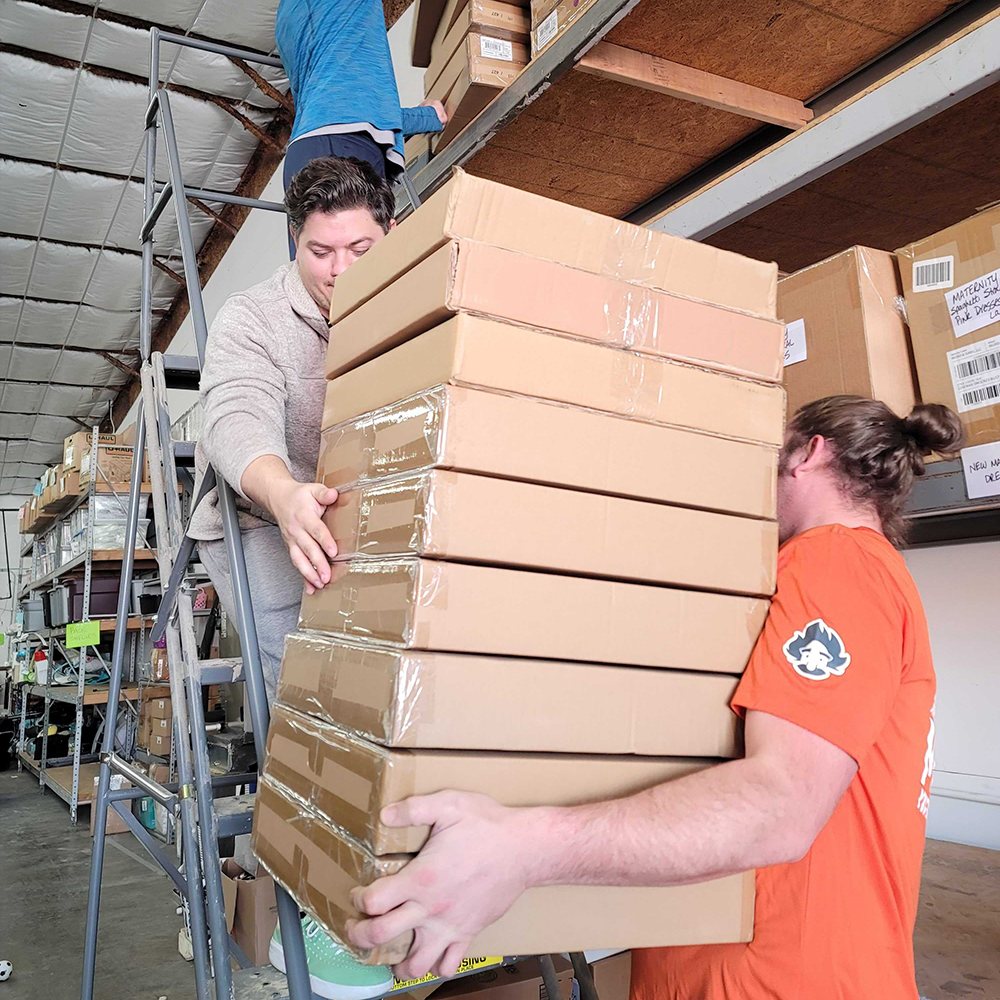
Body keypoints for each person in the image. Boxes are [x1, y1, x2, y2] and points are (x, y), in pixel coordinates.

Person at [346, 395, 964, 1000]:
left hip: (783, 980)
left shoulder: (835, 562)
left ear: (808, 454)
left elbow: (783, 804)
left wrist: (519, 850)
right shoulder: (854, 574)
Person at [191, 156, 396, 706]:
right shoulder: (253, 317)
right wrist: (283, 496)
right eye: (320, 252)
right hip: (263, 517)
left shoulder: (406, 297)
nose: (340, 271)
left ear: (390, 234)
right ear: (295, 241)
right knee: (313, 685)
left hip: (363, 513)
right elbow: (235, 413)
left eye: (360, 251)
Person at [275, 0, 447, 256]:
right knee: (363, 272)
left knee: (312, 279)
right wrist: (427, 117)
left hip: (305, 147)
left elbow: (333, 105)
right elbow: (354, 111)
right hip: (341, 147)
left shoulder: (286, 15)